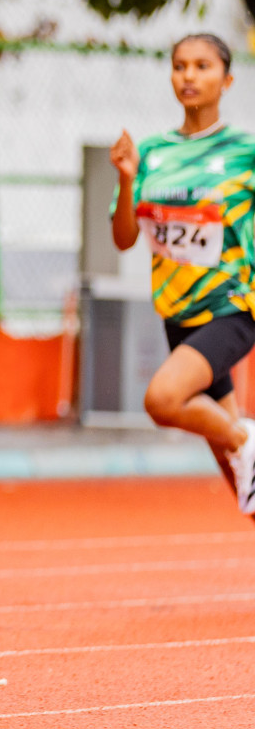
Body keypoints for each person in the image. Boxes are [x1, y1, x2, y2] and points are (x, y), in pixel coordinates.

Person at [110, 32, 255, 511]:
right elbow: (124, 237)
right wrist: (128, 178)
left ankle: (244, 436)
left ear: (227, 79)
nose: (188, 76)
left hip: (231, 305)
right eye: (179, 66)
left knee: (163, 400)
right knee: (242, 479)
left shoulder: (244, 151)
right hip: (178, 311)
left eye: (202, 66)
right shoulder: (151, 153)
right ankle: (242, 444)